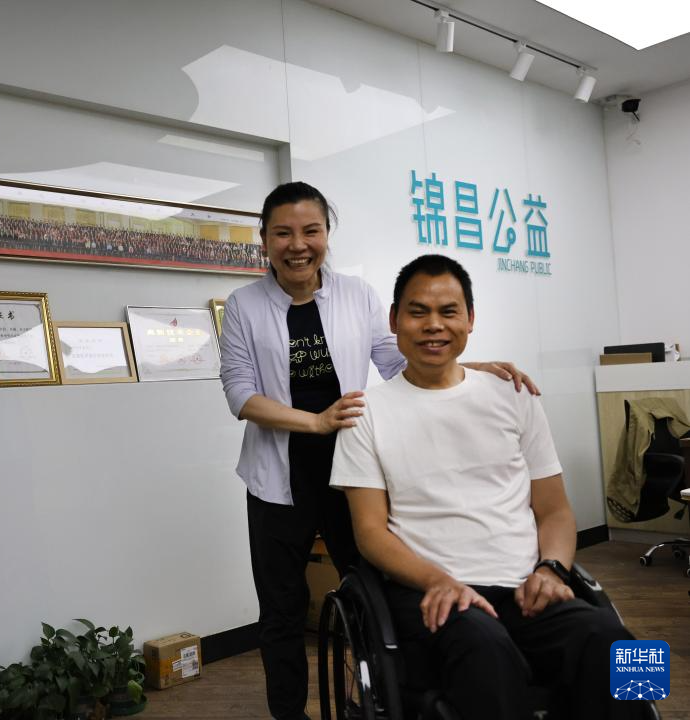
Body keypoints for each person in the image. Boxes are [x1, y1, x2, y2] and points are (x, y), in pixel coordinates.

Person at [218, 182, 537, 720]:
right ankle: (288, 714)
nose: (298, 245)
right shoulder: (244, 305)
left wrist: (467, 369)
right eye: (283, 233)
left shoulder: (357, 295)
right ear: (265, 240)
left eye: (311, 231)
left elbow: (395, 362)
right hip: (277, 478)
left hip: (356, 471)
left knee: (371, 593)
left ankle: (377, 701)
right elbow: (239, 394)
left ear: (326, 234)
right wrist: (315, 422)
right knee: (281, 609)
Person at [330, 254, 644, 720]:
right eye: (418, 312)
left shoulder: (514, 394)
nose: (434, 325)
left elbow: (555, 511)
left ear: (471, 319)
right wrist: (438, 581)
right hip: (433, 595)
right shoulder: (365, 413)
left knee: (622, 646)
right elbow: (370, 533)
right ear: (394, 320)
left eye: (448, 311)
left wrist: (552, 571)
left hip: (526, 587)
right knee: (487, 652)